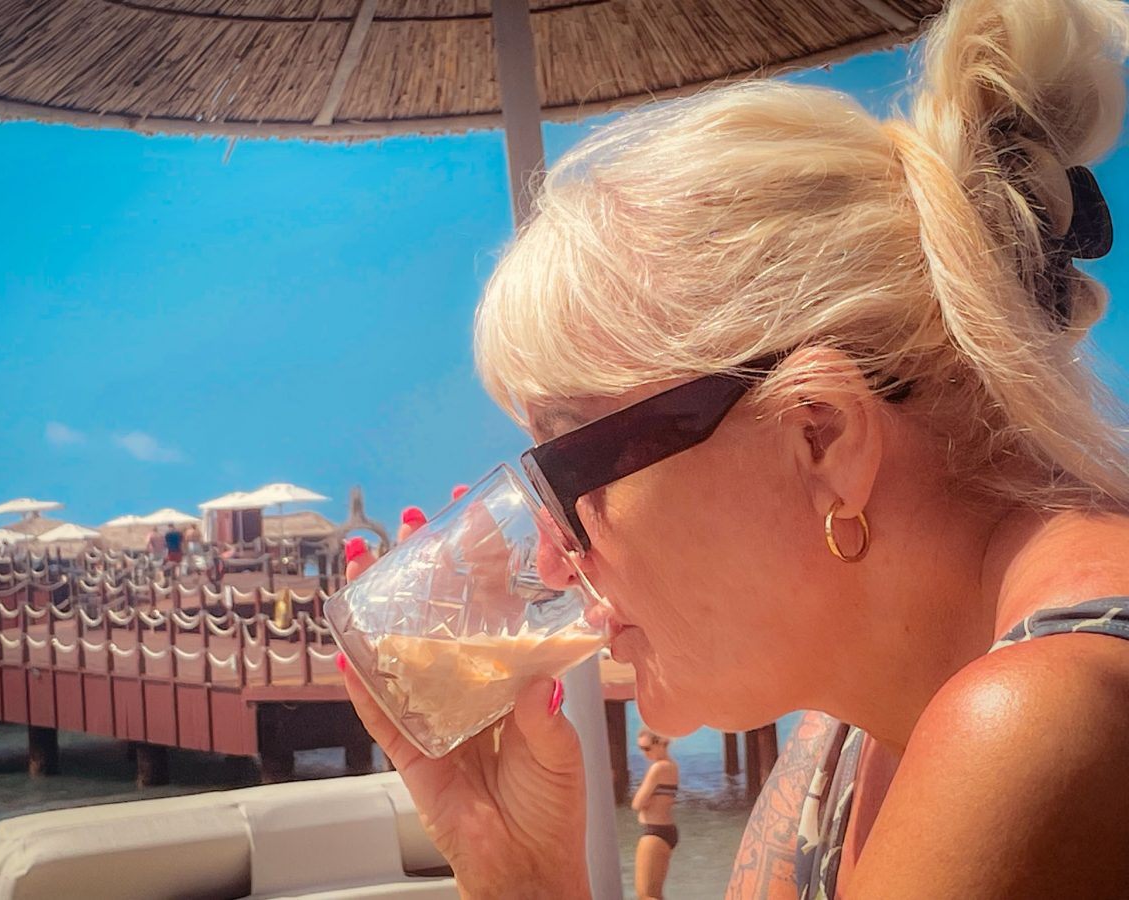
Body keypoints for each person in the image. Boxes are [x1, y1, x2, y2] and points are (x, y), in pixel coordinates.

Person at [341, 0, 1129, 896]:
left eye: (566, 472)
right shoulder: (855, 727)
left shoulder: (1041, 722)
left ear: (820, 436)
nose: (552, 562)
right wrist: (524, 878)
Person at [631, 729, 679, 900]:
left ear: (661, 743)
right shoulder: (672, 766)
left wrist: (644, 798)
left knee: (646, 895)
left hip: (654, 832)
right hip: (666, 829)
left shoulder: (657, 768)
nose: (644, 754)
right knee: (655, 894)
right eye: (640, 749)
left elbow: (637, 803)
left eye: (647, 748)